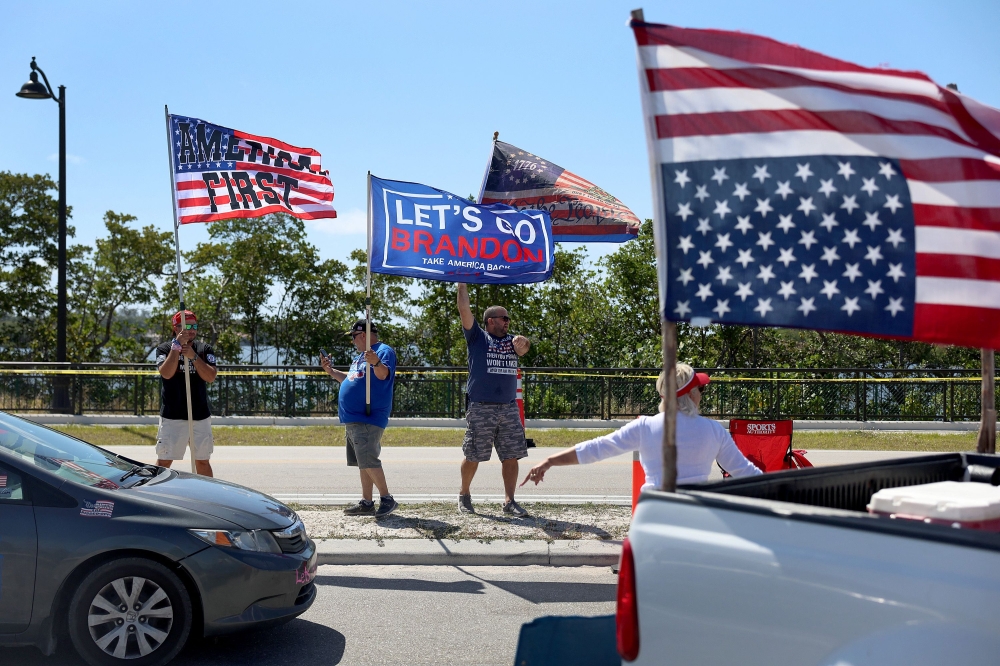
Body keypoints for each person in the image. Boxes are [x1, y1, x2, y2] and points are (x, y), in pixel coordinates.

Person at [520, 363, 763, 490]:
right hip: (696, 517)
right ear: (689, 394)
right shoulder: (714, 430)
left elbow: (597, 449)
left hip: (654, 515)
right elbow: (746, 472)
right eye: (700, 388)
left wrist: (549, 460)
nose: (702, 393)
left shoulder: (645, 427)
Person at [456, 283, 531, 516]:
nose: (507, 322)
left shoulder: (512, 341)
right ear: (490, 321)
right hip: (481, 407)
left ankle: (509, 501)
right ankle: (464, 495)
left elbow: (525, 348)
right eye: (503, 318)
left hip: (508, 408)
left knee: (511, 455)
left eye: (508, 318)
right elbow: (464, 310)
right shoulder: (478, 337)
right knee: (473, 454)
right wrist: (462, 283)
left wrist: (524, 343)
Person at [321, 320, 399, 518]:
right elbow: (352, 378)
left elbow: (383, 375)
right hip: (353, 418)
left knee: (368, 459)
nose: (353, 341)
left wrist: (376, 363)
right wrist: (331, 371)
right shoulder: (360, 357)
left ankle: (387, 498)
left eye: (354, 337)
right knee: (363, 462)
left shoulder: (382, 352)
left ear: (363, 335)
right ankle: (366, 502)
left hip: (368, 416)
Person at [155, 310, 218, 477]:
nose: (191, 330)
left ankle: (206, 496)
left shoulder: (204, 349)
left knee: (202, 460)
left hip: (200, 415)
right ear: (176, 328)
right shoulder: (164, 349)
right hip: (172, 416)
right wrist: (176, 348)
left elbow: (210, 377)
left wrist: (193, 357)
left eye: (194, 326)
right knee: (164, 461)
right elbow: (166, 373)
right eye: (186, 326)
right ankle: (158, 495)